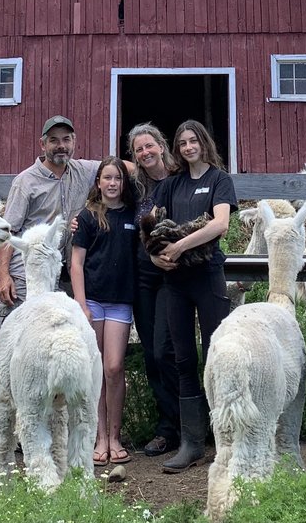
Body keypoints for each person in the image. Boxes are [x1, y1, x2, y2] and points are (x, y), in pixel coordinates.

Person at [0, 115, 100, 458]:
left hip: (58, 276)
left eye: (67, 139)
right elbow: (7, 230)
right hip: (24, 276)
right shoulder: (25, 182)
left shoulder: (82, 170)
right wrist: (4, 274)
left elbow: (119, 168)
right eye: (54, 140)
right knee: (12, 356)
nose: (61, 146)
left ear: (74, 142)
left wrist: (157, 165)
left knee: (49, 352)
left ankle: (43, 431)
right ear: (42, 144)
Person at [151, 119, 237, 474]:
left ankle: (227, 436)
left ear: (204, 142)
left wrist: (180, 245)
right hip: (176, 283)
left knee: (218, 354)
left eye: (193, 141)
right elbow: (151, 226)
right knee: (183, 358)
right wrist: (156, 255)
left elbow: (220, 224)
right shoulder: (172, 185)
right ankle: (191, 442)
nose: (188, 147)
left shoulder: (219, 180)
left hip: (207, 276)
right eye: (182, 143)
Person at [71, 156, 138, 467]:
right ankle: (98, 438)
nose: (112, 183)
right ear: (97, 183)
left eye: (118, 178)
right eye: (107, 178)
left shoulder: (134, 215)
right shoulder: (86, 218)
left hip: (121, 301)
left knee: (114, 367)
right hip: (94, 301)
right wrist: (81, 304)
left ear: (124, 183)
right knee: (95, 368)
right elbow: (77, 264)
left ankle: (115, 435)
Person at [128, 122, 181, 457]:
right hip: (144, 276)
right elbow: (104, 180)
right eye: (138, 150)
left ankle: (188, 424)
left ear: (161, 145)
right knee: (151, 352)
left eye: (149, 146)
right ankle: (168, 427)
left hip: (174, 275)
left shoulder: (181, 180)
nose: (145, 153)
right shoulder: (136, 186)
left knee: (170, 350)